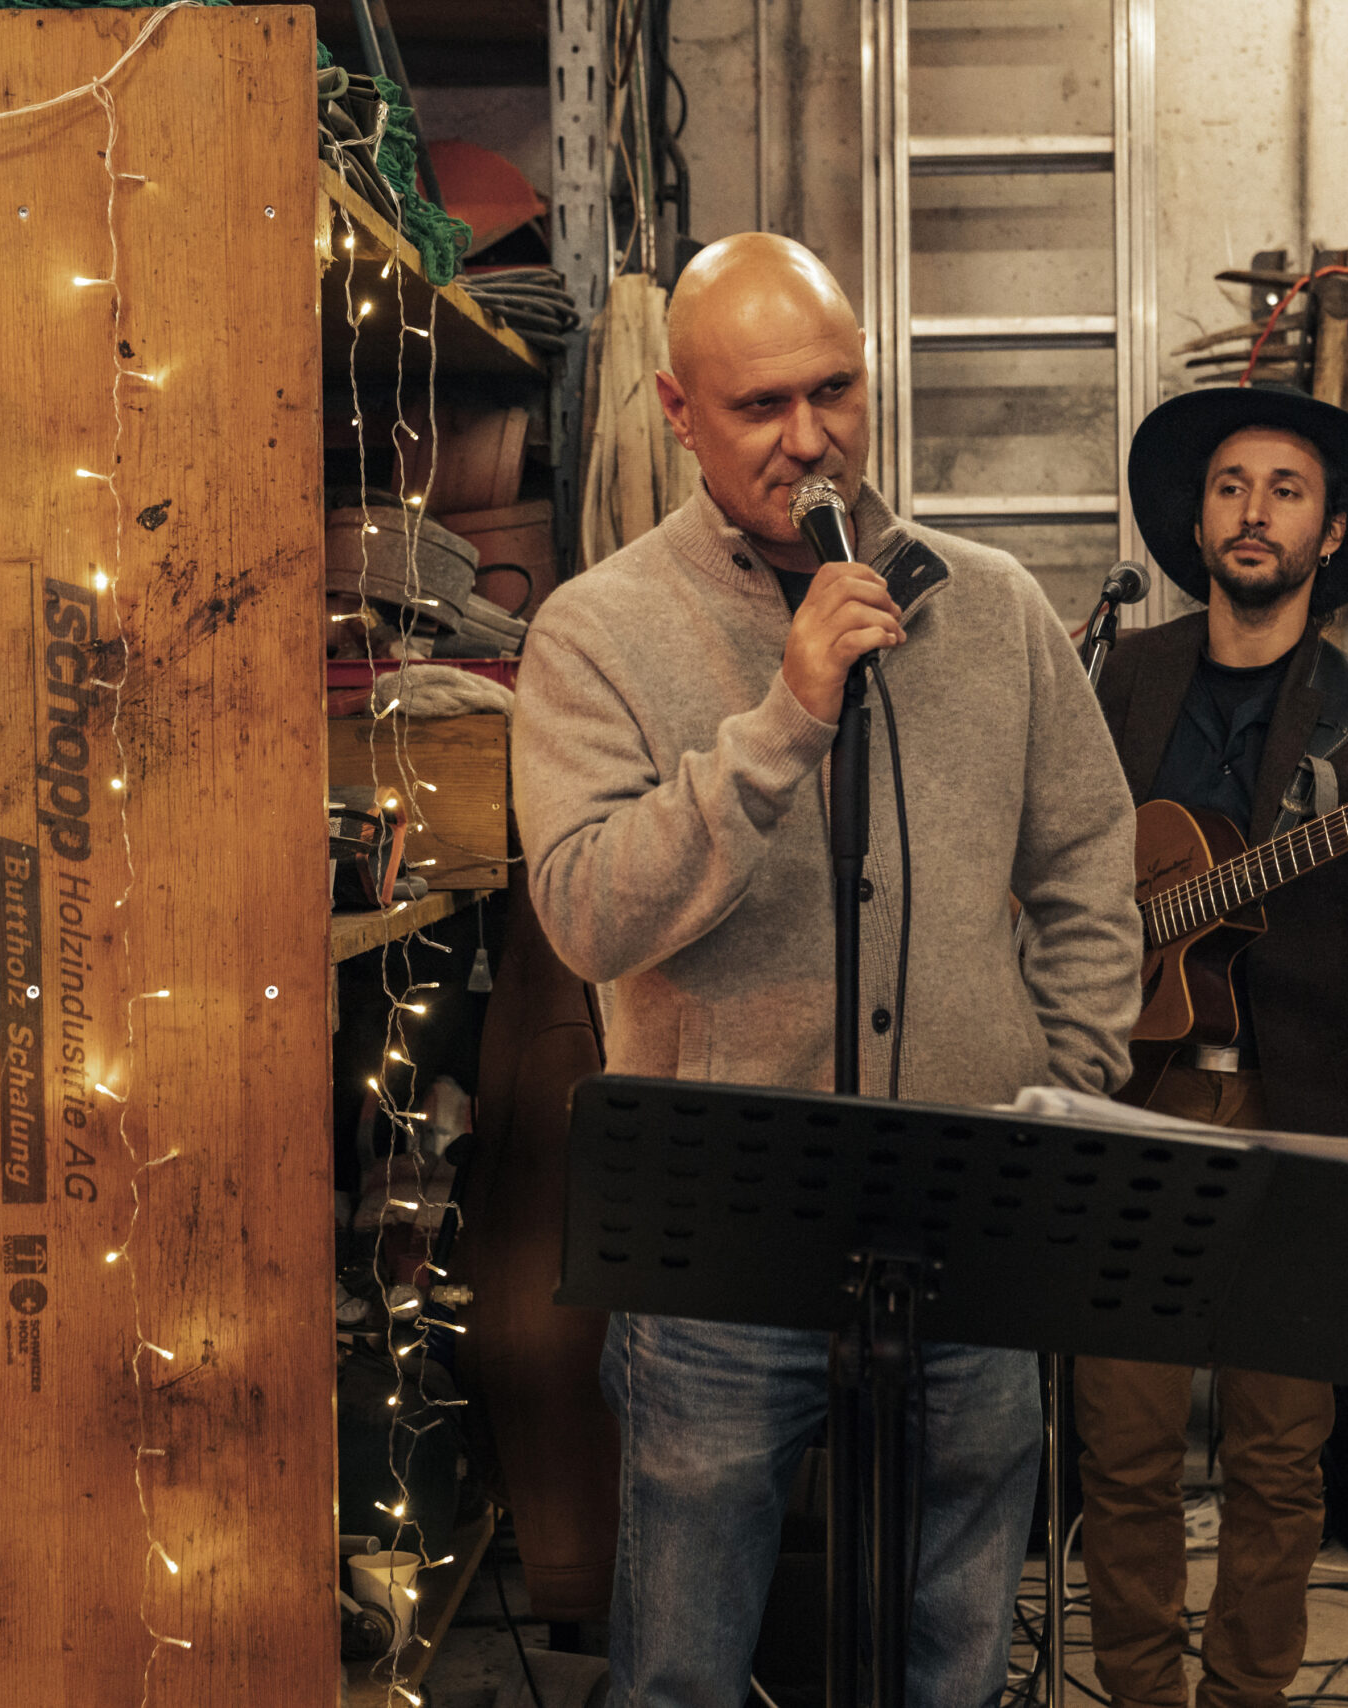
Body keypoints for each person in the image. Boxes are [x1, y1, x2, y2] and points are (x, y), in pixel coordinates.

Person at [510, 232, 1142, 1707]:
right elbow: (586, 914)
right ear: (678, 413)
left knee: (953, 1658)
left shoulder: (994, 606)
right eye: (760, 407)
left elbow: (1087, 868)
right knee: (682, 1669)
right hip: (718, 1248)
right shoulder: (595, 631)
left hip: (968, 1224)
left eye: (836, 391)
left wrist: (1059, 1091)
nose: (811, 440)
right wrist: (784, 720)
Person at [1086, 384, 1348, 1708]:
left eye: (1286, 489)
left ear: (1331, 530)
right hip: (1134, 1097)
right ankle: (1141, 1693)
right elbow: (1055, 860)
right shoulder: (1122, 678)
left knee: (1277, 1452)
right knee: (1122, 1448)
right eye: (1231, 486)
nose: (1255, 511)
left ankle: (1244, 1694)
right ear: (1197, 521)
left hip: (1304, 1104)